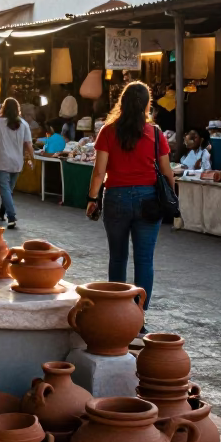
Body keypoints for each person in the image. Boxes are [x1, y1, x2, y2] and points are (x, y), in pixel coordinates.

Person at [85, 80, 174, 323]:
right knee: (144, 259)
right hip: (149, 201)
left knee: (118, 257)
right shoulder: (155, 134)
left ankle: (115, 314)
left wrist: (92, 199)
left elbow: (98, 172)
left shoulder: (108, 131)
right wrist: (169, 198)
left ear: (122, 103)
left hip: (115, 198)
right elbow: (167, 172)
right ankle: (137, 316)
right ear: (147, 105)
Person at [0, 97, 35, 227]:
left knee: (5, 190)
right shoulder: (24, 124)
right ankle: (2, 214)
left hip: (2, 160)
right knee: (8, 190)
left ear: (4, 108)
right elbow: (29, 144)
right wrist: (32, 159)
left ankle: (11, 216)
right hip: (17, 162)